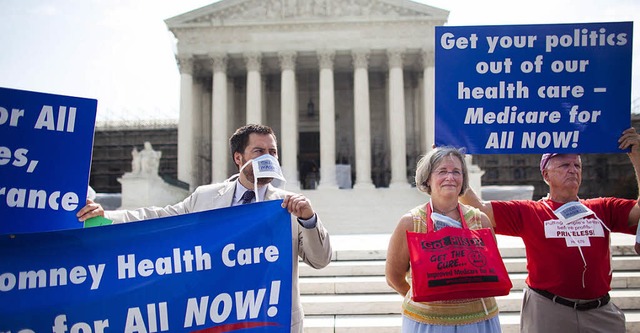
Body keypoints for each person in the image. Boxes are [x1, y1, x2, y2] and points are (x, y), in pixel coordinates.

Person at [77, 124, 332, 333]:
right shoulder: (206, 198)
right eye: (259, 151)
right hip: (217, 315)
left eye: (272, 152)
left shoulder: (289, 206)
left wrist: (308, 219)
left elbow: (320, 260)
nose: (268, 157)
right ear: (238, 158)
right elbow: (159, 218)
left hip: (272, 319)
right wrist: (107, 217)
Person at [459, 127, 640, 333]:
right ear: (546, 174)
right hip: (548, 310)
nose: (572, 170)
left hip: (600, 312)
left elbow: (638, 212)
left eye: (577, 165)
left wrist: (637, 157)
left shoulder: (603, 208)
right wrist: (456, 168)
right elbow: (479, 208)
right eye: (564, 165)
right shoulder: (530, 211)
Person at [385, 146, 502, 333]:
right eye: (442, 171)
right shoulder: (410, 222)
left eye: (457, 171)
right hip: (427, 323)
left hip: (479, 320)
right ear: (428, 179)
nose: (450, 177)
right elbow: (393, 277)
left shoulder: (480, 220)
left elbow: (492, 270)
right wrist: (424, 299)